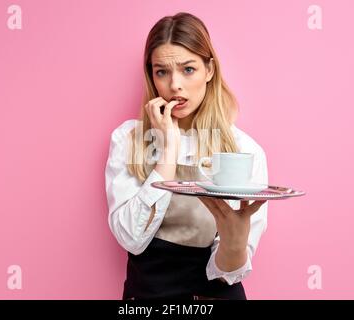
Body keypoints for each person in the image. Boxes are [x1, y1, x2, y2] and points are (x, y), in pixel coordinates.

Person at [105, 12, 268, 300]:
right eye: (161, 72)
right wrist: (168, 149)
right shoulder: (128, 139)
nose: (175, 85)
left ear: (209, 70)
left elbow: (229, 273)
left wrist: (235, 239)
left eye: (188, 69)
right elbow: (131, 239)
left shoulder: (243, 151)